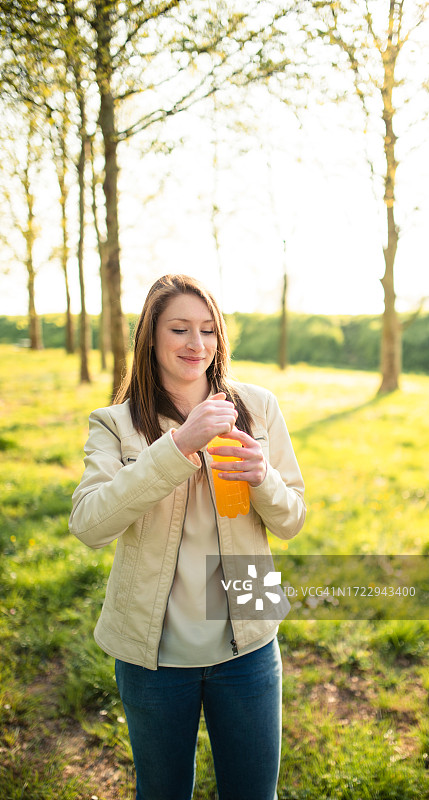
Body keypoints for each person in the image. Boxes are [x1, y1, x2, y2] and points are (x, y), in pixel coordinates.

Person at [69, 274, 306, 800]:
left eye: (208, 330)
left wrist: (261, 476)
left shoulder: (258, 406)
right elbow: (88, 524)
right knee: (162, 790)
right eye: (179, 329)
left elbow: (292, 520)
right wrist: (177, 446)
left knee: (253, 791)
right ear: (150, 338)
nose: (196, 345)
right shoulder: (115, 423)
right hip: (151, 653)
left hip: (251, 638)